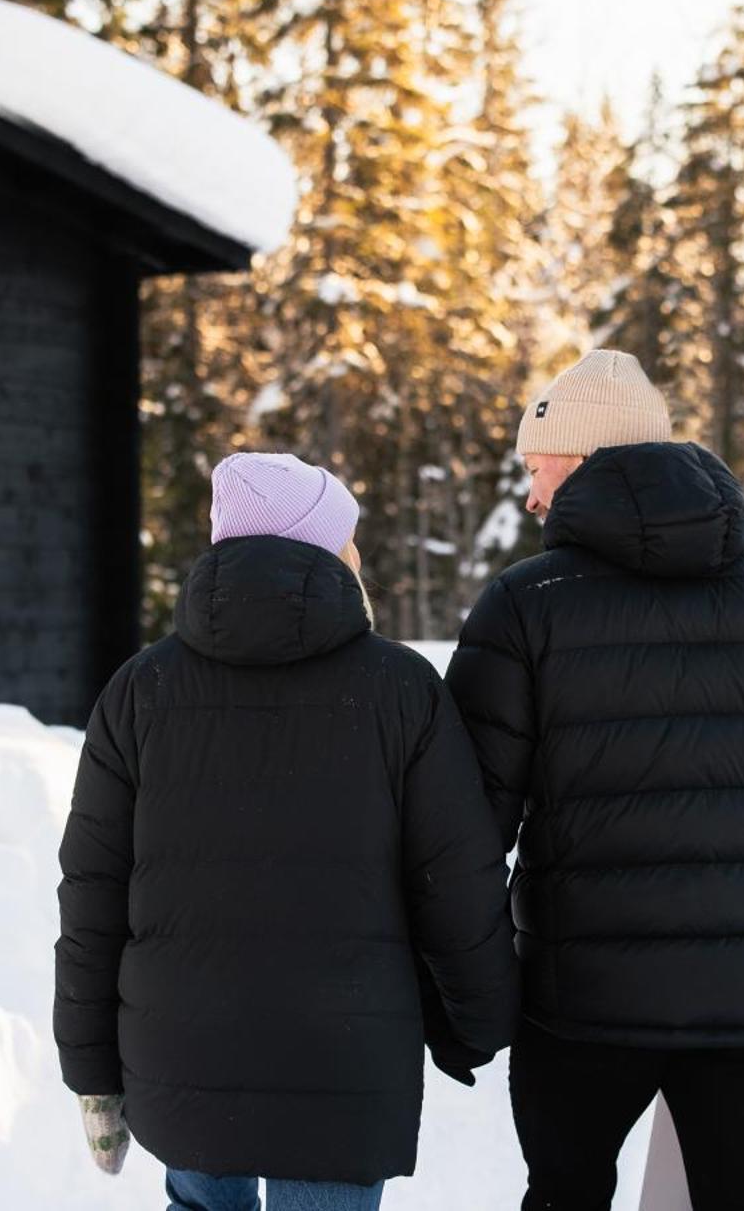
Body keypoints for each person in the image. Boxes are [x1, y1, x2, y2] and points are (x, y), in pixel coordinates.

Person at [445, 350, 744, 1211]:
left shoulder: (527, 603)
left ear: (577, 462)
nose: (532, 494)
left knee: (564, 1195)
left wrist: (472, 988)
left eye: (537, 467)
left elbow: (464, 826)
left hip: (580, 1004)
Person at [54, 452, 520, 1211]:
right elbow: (454, 876)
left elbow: (92, 892)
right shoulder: (399, 688)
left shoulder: (141, 689)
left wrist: (91, 1066)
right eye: (349, 537)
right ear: (326, 551)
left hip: (182, 1048)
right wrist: (477, 1019)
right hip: (342, 1055)